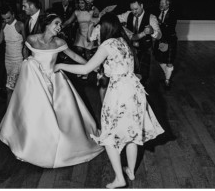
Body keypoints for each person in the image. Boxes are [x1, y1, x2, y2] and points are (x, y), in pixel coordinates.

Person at [58, 13, 164, 188]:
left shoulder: (107, 44)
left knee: (109, 135)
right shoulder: (123, 42)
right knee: (131, 134)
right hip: (134, 91)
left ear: (105, 27)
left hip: (119, 93)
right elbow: (115, 67)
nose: (97, 28)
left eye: (99, 26)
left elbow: (85, 69)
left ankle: (119, 179)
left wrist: (61, 65)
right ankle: (130, 171)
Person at [0, 15, 103, 168]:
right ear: (46, 24)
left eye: (60, 24)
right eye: (56, 23)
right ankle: (30, 142)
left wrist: (92, 65)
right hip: (34, 82)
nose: (59, 27)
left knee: (59, 114)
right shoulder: (32, 39)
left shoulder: (60, 42)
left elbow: (74, 55)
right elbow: (26, 56)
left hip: (54, 80)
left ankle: (57, 143)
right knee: (35, 113)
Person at [118, 0, 161, 86]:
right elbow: (115, 19)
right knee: (130, 71)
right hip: (130, 48)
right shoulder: (128, 14)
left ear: (141, 6)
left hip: (145, 48)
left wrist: (152, 32)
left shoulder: (151, 17)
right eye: (132, 9)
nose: (134, 12)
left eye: (136, 9)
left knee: (143, 74)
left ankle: (141, 91)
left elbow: (159, 35)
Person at [0, 5, 24, 102]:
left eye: (9, 18)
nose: (7, 20)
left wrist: (26, 59)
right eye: (4, 19)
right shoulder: (4, 25)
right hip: (7, 59)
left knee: (10, 88)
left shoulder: (20, 25)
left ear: (13, 14)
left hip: (18, 59)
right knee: (14, 86)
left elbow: (26, 43)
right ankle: (15, 108)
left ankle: (11, 112)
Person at [154, 0, 178, 89]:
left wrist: (160, 23)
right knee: (159, 58)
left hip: (170, 40)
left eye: (163, 3)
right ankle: (167, 73)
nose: (161, 5)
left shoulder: (173, 13)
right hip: (160, 39)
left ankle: (167, 80)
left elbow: (170, 27)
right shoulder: (157, 12)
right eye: (160, 3)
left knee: (169, 61)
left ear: (168, 4)